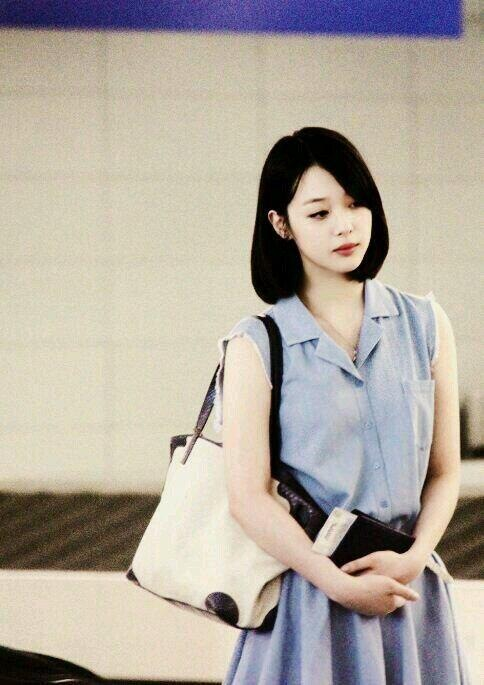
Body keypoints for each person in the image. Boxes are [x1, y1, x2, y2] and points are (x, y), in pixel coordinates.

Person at [212, 127, 473, 684]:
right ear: (281, 224)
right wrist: (337, 585)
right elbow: (247, 497)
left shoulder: (425, 324)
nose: (345, 224)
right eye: (319, 212)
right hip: (309, 603)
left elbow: (444, 472)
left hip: (409, 595)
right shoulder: (256, 344)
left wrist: (413, 558)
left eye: (355, 204)